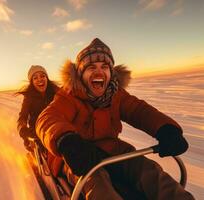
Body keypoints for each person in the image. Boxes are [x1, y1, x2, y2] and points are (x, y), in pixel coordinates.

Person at [35, 38, 194, 199]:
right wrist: (66, 140)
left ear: (111, 73)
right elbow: (47, 118)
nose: (99, 72)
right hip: (76, 157)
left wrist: (165, 128)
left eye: (104, 67)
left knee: (147, 170)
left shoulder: (116, 95)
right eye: (91, 67)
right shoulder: (68, 96)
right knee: (97, 182)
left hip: (112, 149)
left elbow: (138, 110)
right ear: (81, 73)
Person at [16, 65, 59, 152]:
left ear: (47, 78)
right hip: (38, 132)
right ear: (32, 82)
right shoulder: (29, 97)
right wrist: (22, 129)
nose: (40, 79)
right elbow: (22, 117)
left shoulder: (56, 92)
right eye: (35, 78)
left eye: (42, 76)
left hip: (57, 127)